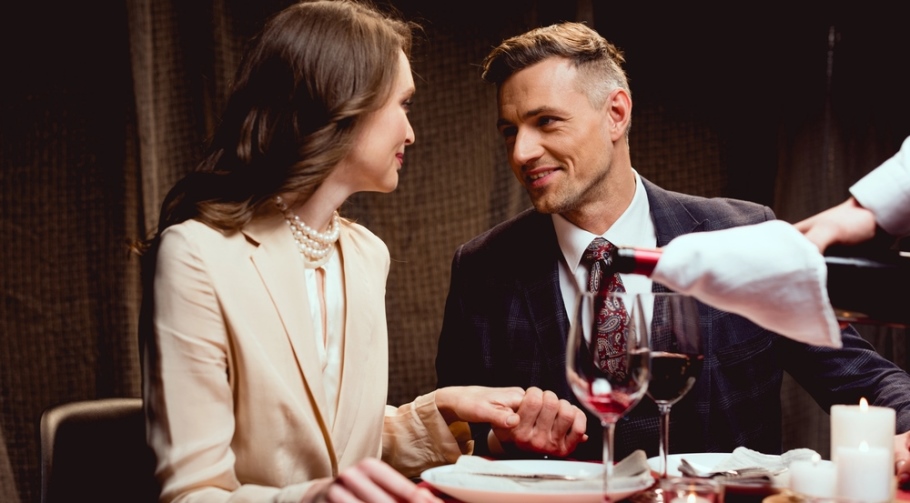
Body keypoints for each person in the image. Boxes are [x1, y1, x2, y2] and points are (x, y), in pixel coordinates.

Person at [139, 2, 586, 502]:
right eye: (404, 104)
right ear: (343, 103)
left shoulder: (366, 254)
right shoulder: (195, 256)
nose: (411, 132)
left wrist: (446, 410)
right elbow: (191, 493)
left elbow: (337, 446)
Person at [434, 21, 910, 464]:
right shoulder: (482, 268)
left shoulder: (741, 234)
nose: (522, 152)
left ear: (616, 114)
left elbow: (862, 378)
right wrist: (500, 437)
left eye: (547, 122)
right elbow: (456, 429)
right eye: (509, 130)